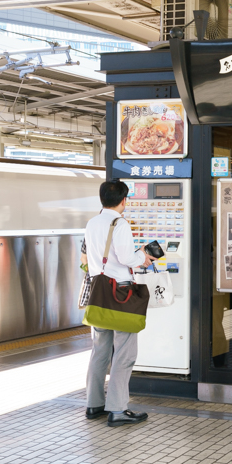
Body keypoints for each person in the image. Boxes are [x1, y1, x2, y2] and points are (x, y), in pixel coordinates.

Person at [84, 181, 157, 427]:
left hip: (99, 292)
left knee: (100, 351)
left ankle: (94, 404)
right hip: (120, 293)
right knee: (125, 352)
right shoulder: (120, 223)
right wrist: (143, 255)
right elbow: (126, 258)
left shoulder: (92, 222)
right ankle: (117, 409)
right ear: (124, 200)